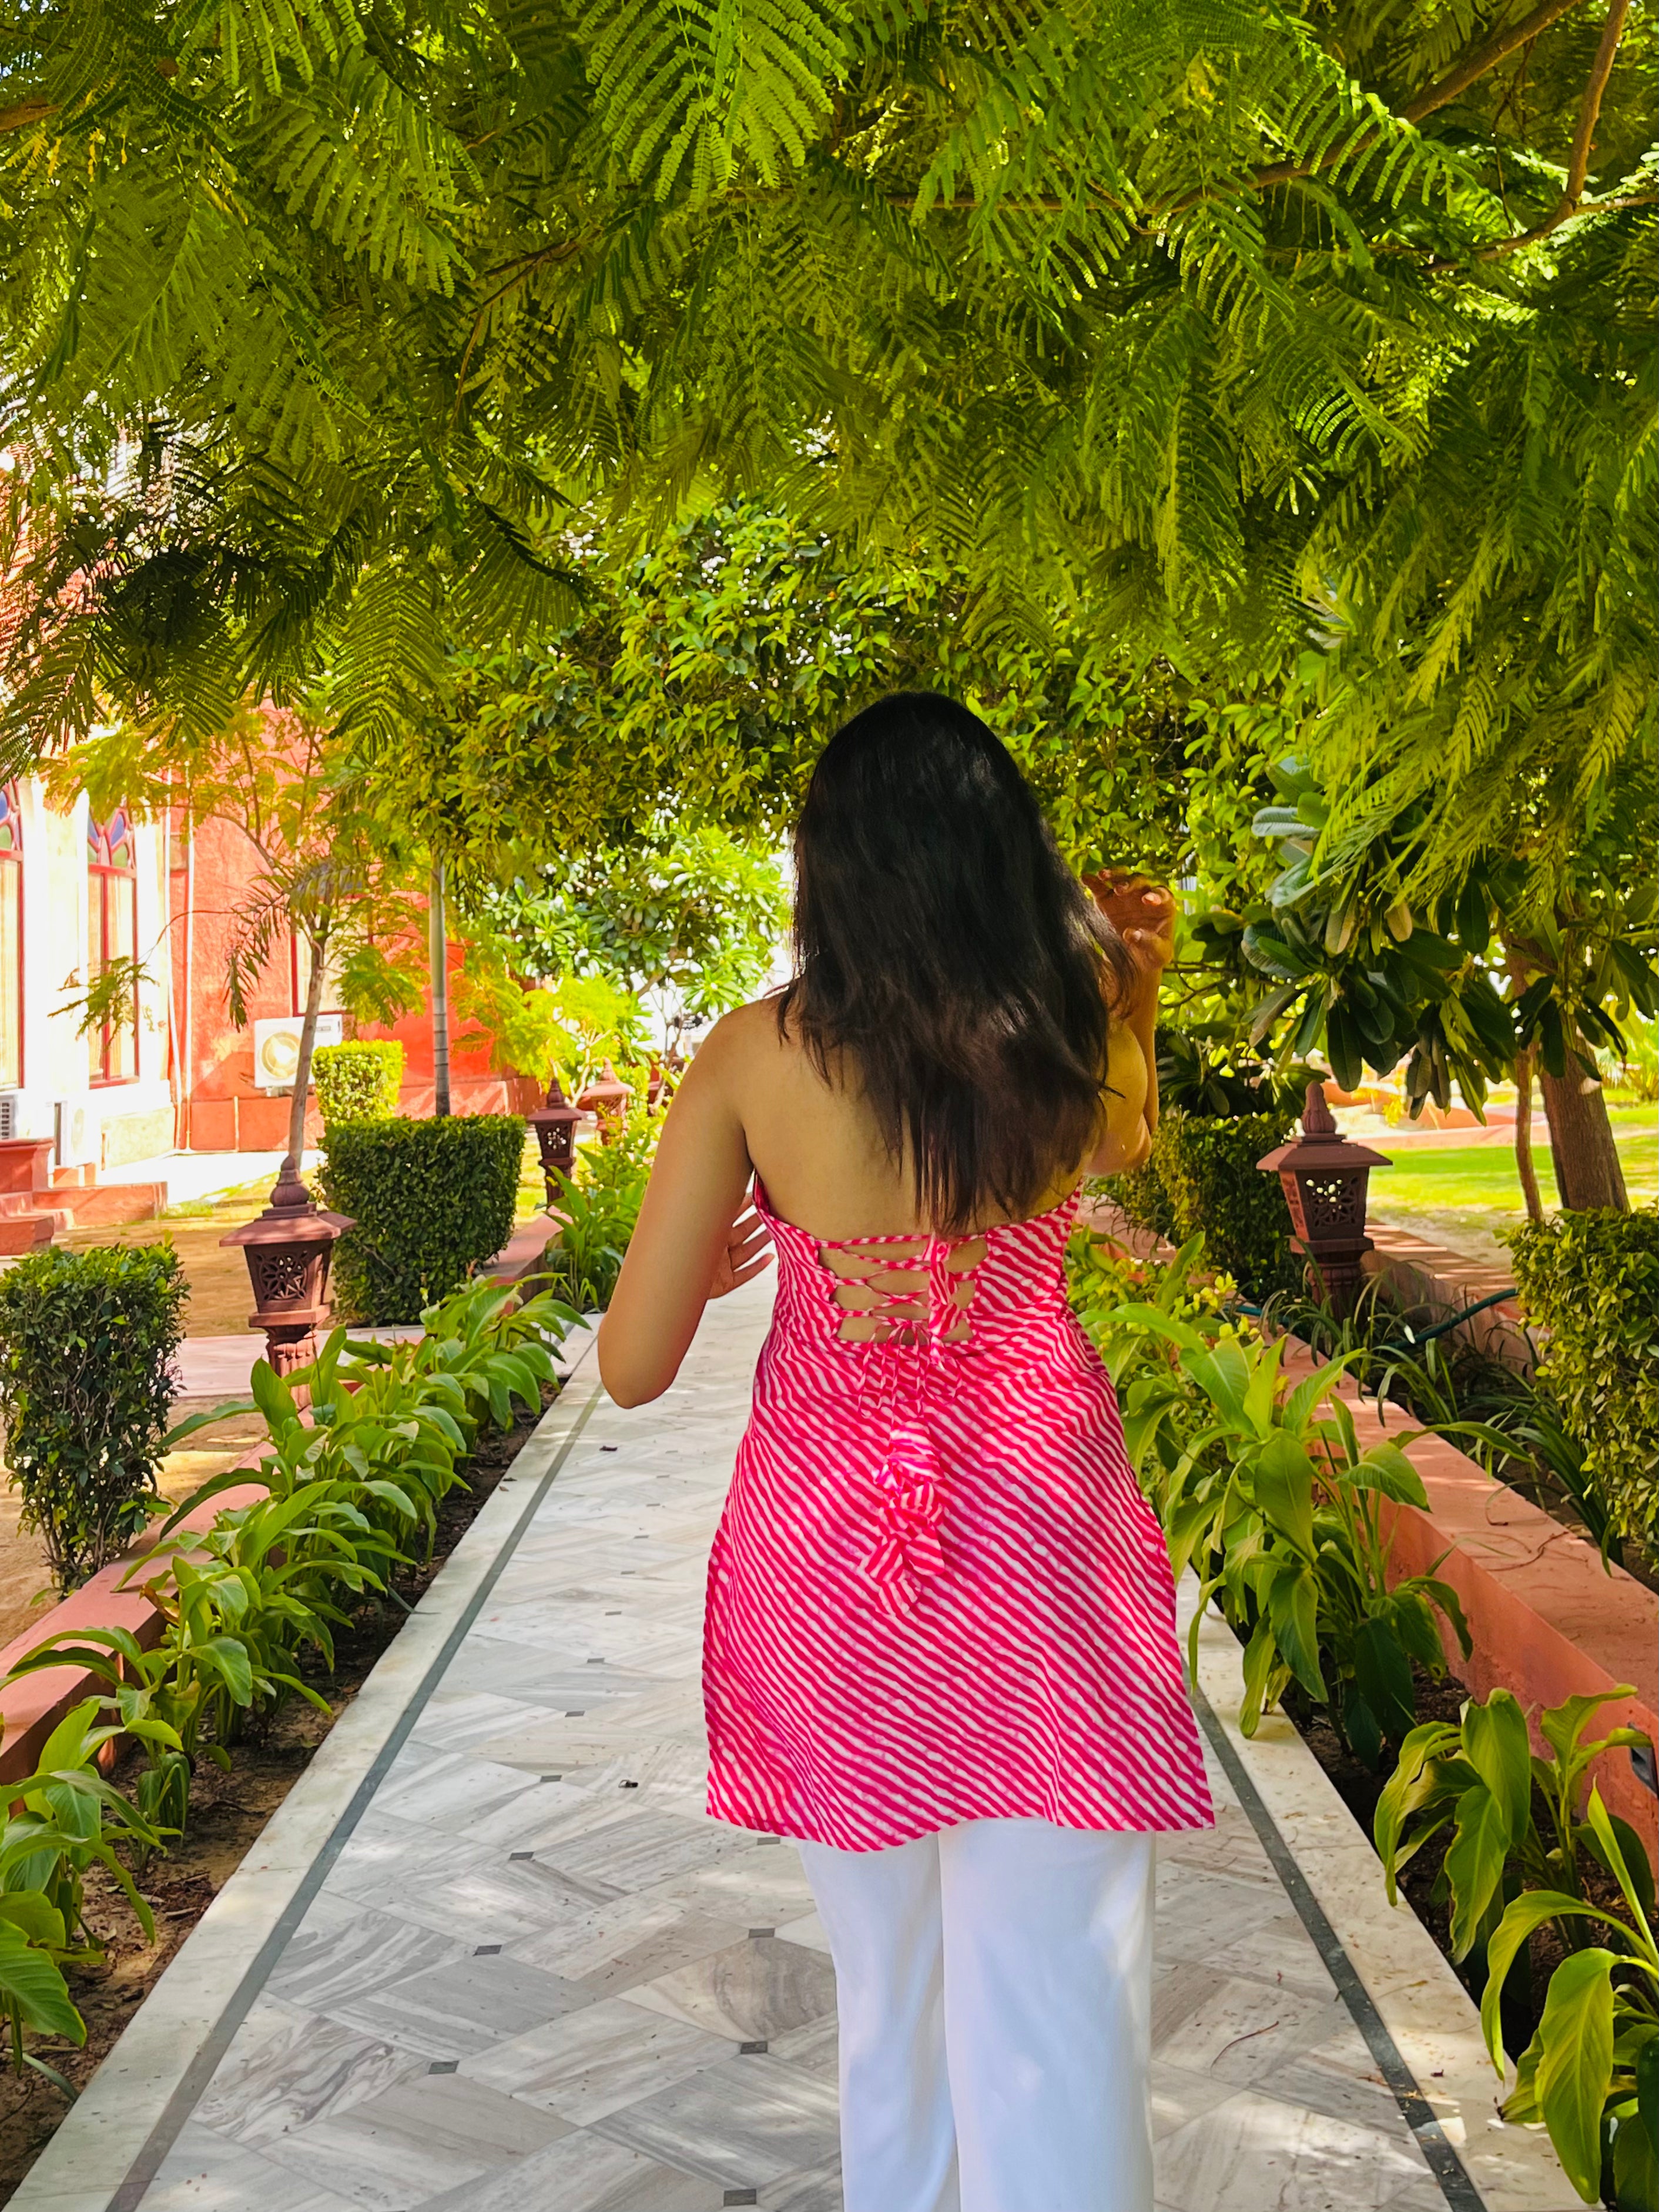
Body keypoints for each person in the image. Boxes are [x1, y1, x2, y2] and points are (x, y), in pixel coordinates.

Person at [598, 692, 1214, 2212]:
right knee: (1059, 2004)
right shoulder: (1060, 1038)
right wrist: (1132, 997)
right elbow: (1128, 1141)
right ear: (1005, 858)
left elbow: (630, 1366)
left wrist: (723, 1264)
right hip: (1044, 1553)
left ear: (831, 868)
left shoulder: (751, 1057)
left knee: (892, 2004)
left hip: (831, 1572)